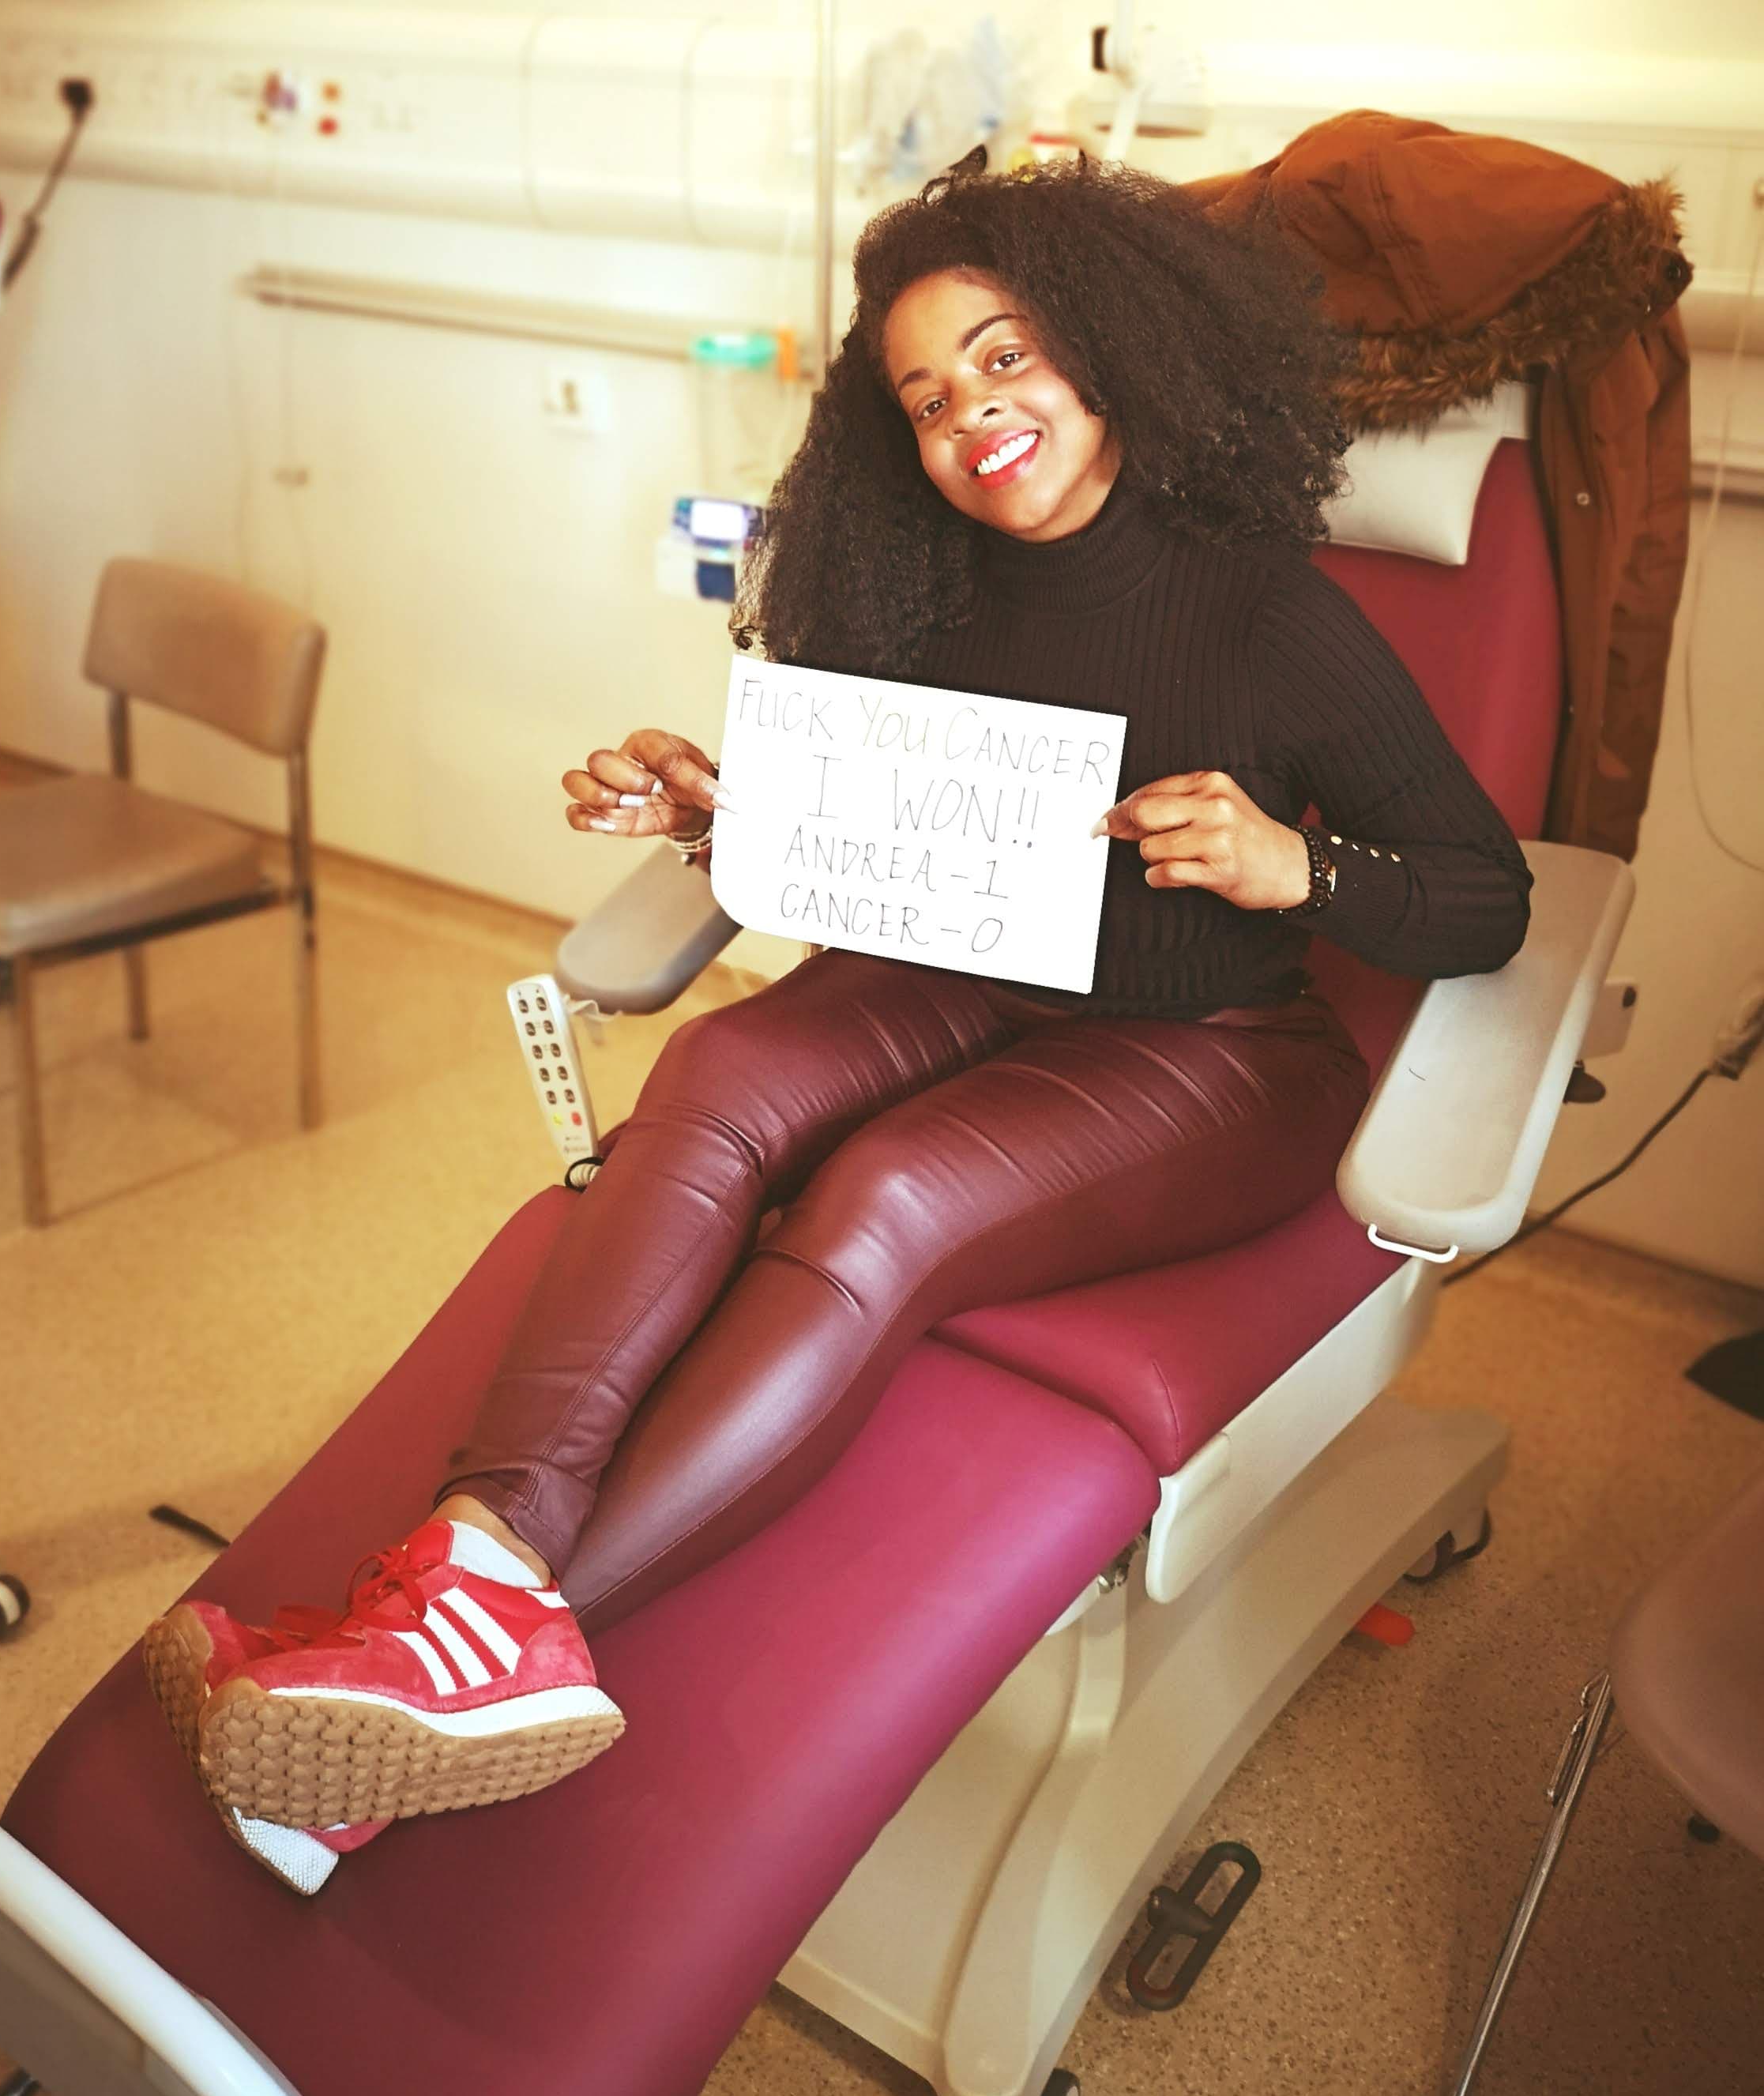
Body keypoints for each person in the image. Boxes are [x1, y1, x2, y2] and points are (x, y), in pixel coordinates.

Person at [143, 149, 1532, 1892]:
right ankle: (468, 1582)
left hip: (1207, 1050)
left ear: (1107, 349)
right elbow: (884, 844)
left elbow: (1487, 895)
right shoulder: (915, 592)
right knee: (718, 1066)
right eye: (929, 392)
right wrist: (717, 815)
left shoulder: (1269, 612)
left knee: (885, 1194)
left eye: (1009, 357)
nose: (973, 414)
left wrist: (1290, 870)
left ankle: (476, 1641)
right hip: (964, 970)